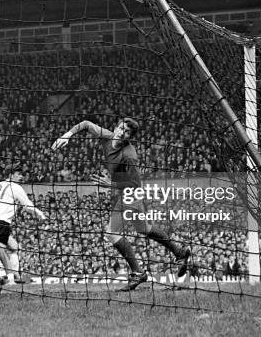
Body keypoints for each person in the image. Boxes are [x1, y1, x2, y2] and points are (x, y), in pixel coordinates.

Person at [52, 118, 190, 291]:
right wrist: (68, 135)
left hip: (131, 193)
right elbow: (86, 124)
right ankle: (179, 252)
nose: (121, 133)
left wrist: (110, 184)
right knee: (144, 229)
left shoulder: (129, 155)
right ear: (117, 127)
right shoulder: (107, 136)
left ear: (129, 137)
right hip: (126, 193)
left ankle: (138, 272)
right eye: (120, 128)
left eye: (126, 132)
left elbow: (134, 184)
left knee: (111, 233)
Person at [0, 164, 47, 283]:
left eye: (21, 174)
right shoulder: (15, 187)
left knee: (14, 247)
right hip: (2, 224)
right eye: (18, 174)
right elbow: (27, 204)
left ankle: (15, 275)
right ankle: (9, 280)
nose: (21, 176)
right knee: (2, 253)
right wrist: (40, 214)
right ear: (10, 175)